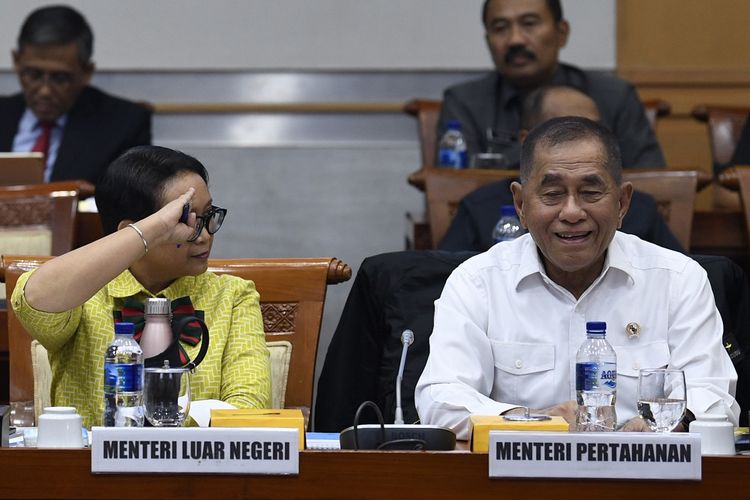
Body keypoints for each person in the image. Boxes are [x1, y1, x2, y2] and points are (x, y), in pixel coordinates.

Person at [415, 117, 738, 440]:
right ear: (521, 204)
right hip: (518, 482)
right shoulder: (477, 283)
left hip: (644, 479)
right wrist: (531, 421)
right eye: (552, 194)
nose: (571, 213)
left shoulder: (678, 280)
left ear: (623, 203)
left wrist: (667, 425)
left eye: (590, 192)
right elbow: (441, 399)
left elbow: (714, 397)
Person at [10, 145, 271, 428]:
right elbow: (36, 298)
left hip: (197, 467)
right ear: (132, 232)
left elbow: (247, 408)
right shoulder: (83, 294)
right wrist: (155, 228)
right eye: (185, 221)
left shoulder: (232, 296)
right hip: (90, 468)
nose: (204, 236)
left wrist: (166, 428)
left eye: (208, 217)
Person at [439, 85, 684, 252]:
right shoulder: (480, 207)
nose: (572, 213)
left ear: (622, 203)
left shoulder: (640, 208)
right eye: (565, 133)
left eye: (591, 130)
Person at [437, 0, 664, 168]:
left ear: (561, 33)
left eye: (529, 24)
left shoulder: (613, 97)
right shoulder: (464, 102)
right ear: (488, 41)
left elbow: (651, 181)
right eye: (500, 28)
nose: (515, 39)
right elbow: (455, 188)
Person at [0, 5, 151, 184]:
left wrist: (94, 196)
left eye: (61, 78)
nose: (45, 90)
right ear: (16, 62)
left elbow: (134, 200)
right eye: (33, 75)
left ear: (87, 72)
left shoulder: (125, 124)